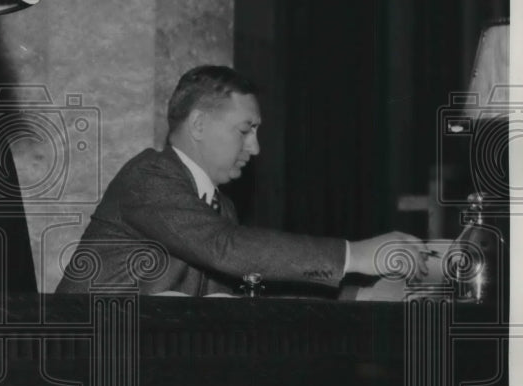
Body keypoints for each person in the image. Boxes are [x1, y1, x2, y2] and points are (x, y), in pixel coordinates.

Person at [56, 65, 429, 296]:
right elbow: (226, 249)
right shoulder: (148, 177)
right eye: (245, 130)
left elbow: (247, 282)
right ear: (199, 124)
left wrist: (357, 297)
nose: (255, 147)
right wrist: (357, 254)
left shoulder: (221, 206)